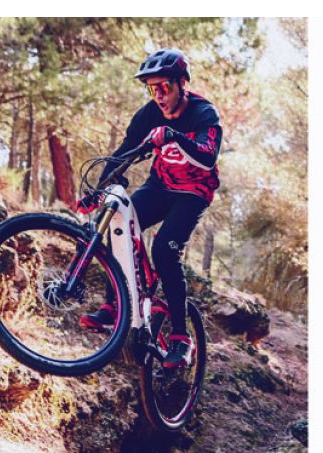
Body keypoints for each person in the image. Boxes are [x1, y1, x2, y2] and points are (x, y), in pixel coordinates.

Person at [76, 48, 222, 369]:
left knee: (164, 250)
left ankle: (182, 338)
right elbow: (123, 153)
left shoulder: (204, 113)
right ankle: (116, 305)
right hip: (160, 186)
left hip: (193, 193)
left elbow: (207, 156)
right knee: (117, 222)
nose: (159, 95)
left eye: (164, 87)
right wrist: (98, 191)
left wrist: (173, 136)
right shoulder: (148, 114)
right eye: (151, 88)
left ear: (182, 83)